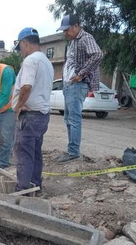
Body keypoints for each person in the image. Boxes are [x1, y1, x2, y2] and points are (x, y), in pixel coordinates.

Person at [56, 14, 103, 163]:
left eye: (67, 29)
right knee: (69, 119)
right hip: (70, 85)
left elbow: (98, 54)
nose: (65, 33)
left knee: (74, 119)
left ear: (76, 26)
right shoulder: (74, 41)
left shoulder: (85, 38)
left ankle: (73, 152)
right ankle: (72, 150)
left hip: (77, 85)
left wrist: (81, 74)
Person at [11, 27, 54, 192]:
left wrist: (19, 105)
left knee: (23, 153)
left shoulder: (30, 60)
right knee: (35, 153)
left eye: (20, 46)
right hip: (42, 116)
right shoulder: (46, 62)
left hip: (29, 116)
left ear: (25, 42)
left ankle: (22, 189)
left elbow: (27, 85)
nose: (20, 51)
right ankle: (35, 185)